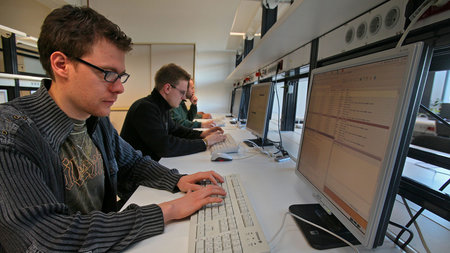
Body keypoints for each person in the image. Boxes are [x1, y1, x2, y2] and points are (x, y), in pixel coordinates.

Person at [0, 5, 226, 252]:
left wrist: (178, 180)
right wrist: (167, 211)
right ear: (61, 64)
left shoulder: (95, 120)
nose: (119, 88)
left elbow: (132, 163)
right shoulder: (11, 134)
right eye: (108, 74)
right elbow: (45, 239)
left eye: (121, 76)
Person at [121, 63, 226, 161]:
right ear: (167, 88)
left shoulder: (162, 107)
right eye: (182, 92)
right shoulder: (145, 108)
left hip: (151, 165)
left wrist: (202, 134)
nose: (184, 97)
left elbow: (176, 130)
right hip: (136, 175)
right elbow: (165, 146)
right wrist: (205, 143)